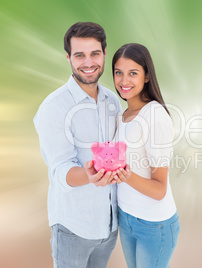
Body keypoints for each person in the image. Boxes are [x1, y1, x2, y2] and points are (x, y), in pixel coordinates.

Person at [33, 22, 122, 268]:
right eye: (79, 55)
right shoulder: (54, 107)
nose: (88, 62)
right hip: (74, 227)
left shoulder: (113, 101)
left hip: (109, 226)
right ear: (68, 58)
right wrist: (89, 175)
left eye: (95, 53)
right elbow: (60, 170)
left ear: (105, 53)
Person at [112, 43, 180, 268]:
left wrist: (124, 174)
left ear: (147, 76)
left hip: (154, 225)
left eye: (133, 73)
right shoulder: (123, 115)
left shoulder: (155, 116)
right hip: (127, 217)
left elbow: (159, 189)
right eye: (118, 73)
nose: (124, 81)